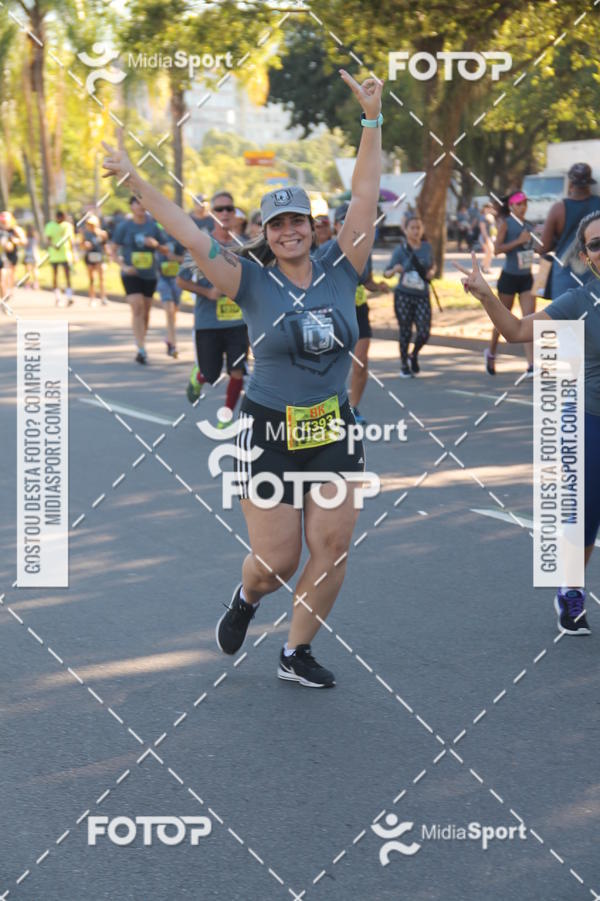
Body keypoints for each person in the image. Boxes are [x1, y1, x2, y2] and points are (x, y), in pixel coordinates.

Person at [102, 69, 382, 687]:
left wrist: (371, 119)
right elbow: (190, 234)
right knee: (277, 562)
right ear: (265, 231)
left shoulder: (343, 268)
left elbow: (364, 196)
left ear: (312, 226)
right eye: (276, 224)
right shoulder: (249, 280)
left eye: (297, 222)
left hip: (333, 427)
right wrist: (135, 180)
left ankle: (295, 653)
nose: (288, 232)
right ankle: (247, 597)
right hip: (268, 430)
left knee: (332, 548)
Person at [456, 209, 600, 637]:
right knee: (584, 521)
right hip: (590, 418)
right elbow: (518, 330)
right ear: (588, 256)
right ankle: (571, 588)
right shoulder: (578, 302)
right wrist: (486, 295)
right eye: (595, 244)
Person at [176, 191, 248, 417]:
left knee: (238, 371)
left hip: (238, 322)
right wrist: (207, 292)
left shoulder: (244, 245)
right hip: (208, 322)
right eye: (219, 209)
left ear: (235, 213)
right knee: (212, 373)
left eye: (229, 208)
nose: (225, 213)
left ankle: (226, 414)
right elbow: (181, 280)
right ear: (212, 213)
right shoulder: (201, 243)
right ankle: (200, 376)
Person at [316, 202, 384, 424]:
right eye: (344, 221)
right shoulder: (324, 251)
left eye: (354, 221)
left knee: (361, 361)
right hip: (332, 313)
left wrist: (379, 286)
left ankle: (353, 409)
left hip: (358, 310)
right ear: (336, 226)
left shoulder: (365, 248)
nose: (350, 226)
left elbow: (366, 280)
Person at [109, 196, 167, 364]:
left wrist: (155, 244)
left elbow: (165, 249)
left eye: (144, 203)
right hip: (131, 273)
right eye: (138, 203)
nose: (141, 206)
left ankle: (140, 339)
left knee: (146, 311)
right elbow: (112, 250)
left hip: (149, 274)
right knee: (137, 307)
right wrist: (124, 266)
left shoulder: (153, 226)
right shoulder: (124, 227)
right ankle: (141, 349)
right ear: (131, 206)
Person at [484, 191, 536, 376]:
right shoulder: (506, 224)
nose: (523, 207)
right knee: (502, 320)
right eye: (519, 204)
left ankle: (531, 365)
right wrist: (518, 241)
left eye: (525, 203)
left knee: (529, 319)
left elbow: (535, 247)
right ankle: (491, 352)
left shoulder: (529, 225)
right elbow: (497, 250)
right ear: (512, 207)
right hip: (509, 278)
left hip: (526, 278)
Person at [539, 162, 600, 299]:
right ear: (590, 183)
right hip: (594, 279)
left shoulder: (558, 208)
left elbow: (543, 248)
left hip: (563, 280)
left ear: (570, 183)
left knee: (564, 319)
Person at [384, 215, 435, 377]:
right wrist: (394, 270)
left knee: (424, 331)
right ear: (405, 230)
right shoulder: (400, 250)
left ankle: (413, 354)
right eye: (412, 228)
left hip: (422, 296)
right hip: (404, 296)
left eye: (418, 228)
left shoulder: (427, 248)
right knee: (405, 330)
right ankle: (404, 364)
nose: (415, 231)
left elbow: (432, 266)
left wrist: (432, 272)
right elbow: (386, 273)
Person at [156, 228, 185, 357]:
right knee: (169, 310)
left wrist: (175, 258)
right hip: (162, 278)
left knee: (174, 311)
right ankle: (173, 345)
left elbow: (189, 258)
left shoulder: (181, 234)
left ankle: (169, 338)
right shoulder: (156, 232)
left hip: (177, 278)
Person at [44, 210, 75, 306]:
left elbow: (71, 241)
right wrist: (54, 246)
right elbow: (48, 240)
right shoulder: (50, 225)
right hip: (54, 255)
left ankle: (69, 297)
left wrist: (74, 254)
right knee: (55, 276)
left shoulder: (68, 226)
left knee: (67, 276)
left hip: (66, 254)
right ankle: (57, 297)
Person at [81, 214, 108, 307]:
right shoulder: (85, 234)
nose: (90, 226)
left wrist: (108, 257)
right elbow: (81, 245)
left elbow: (105, 246)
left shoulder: (102, 233)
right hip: (90, 257)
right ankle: (92, 298)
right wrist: (85, 245)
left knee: (101, 278)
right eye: (89, 224)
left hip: (99, 256)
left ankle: (103, 297)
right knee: (91, 279)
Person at [0, 212, 24, 299]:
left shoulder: (14, 230)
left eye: (5, 221)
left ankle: (10, 290)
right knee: (2, 277)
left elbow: (23, 241)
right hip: (1, 256)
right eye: (2, 221)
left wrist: (14, 241)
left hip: (12, 256)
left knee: (10, 276)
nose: (3, 223)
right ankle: (3, 297)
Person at [479, 203, 496, 273]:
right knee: (490, 252)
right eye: (488, 208)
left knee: (490, 253)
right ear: (484, 208)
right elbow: (483, 229)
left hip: (490, 237)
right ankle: (485, 267)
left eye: (491, 208)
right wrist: (486, 239)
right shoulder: (483, 217)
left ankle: (484, 266)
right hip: (485, 237)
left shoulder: (491, 216)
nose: (490, 209)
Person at [23, 224, 40, 290]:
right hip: (35, 253)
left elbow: (25, 245)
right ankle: (36, 284)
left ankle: (27, 285)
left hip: (28, 254)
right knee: (35, 270)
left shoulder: (26, 236)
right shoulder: (36, 236)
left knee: (27, 271)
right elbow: (37, 243)